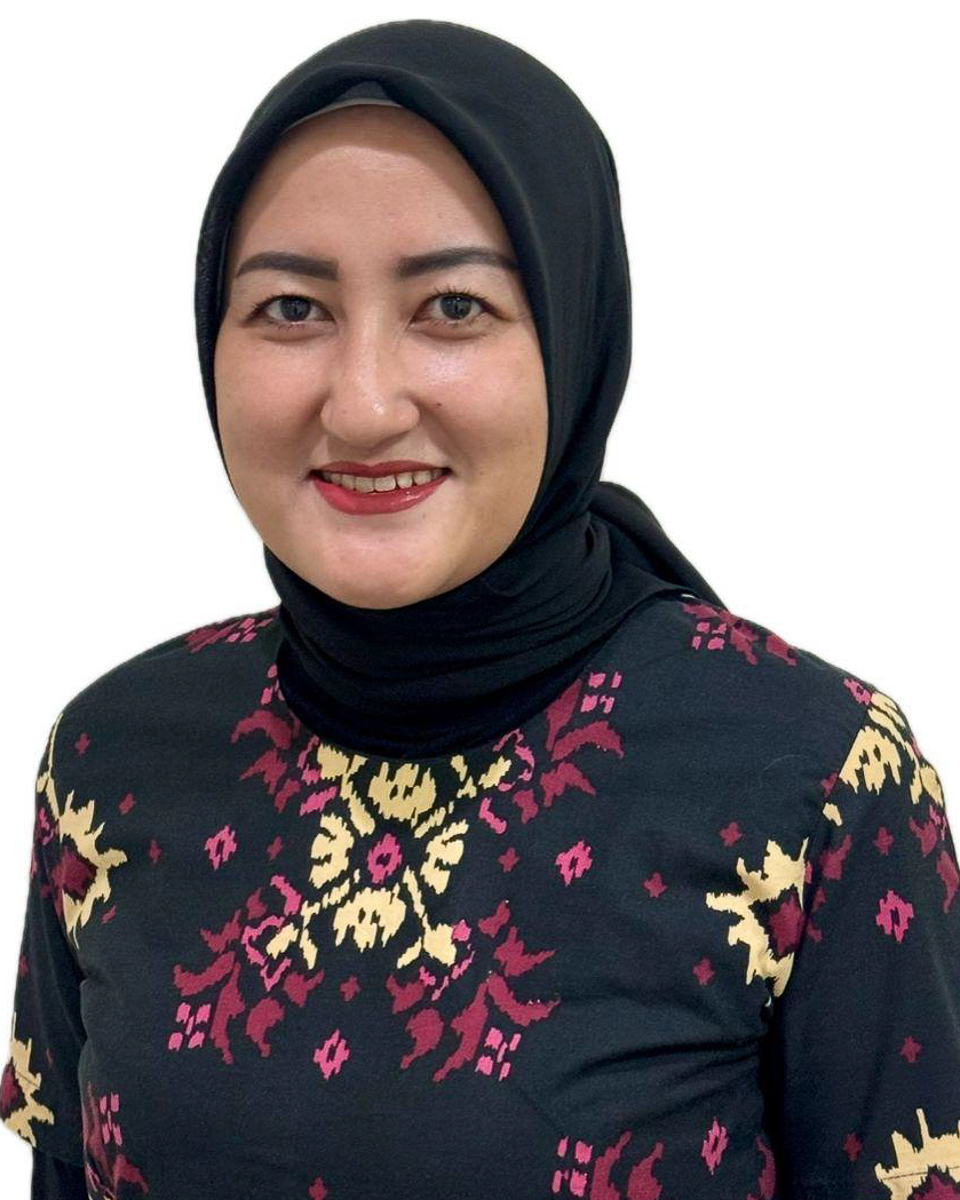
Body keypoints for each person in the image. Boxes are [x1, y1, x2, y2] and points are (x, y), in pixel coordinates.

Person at [2, 18, 958, 1200]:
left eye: (452, 306)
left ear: (573, 331)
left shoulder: (817, 779)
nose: (362, 406)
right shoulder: (110, 761)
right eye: (292, 309)